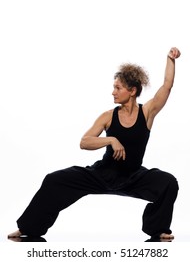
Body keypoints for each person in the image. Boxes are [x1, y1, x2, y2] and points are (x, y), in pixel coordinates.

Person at [8, 47, 181, 241]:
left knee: (168, 182)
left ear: (132, 91)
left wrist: (170, 59)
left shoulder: (147, 113)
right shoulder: (108, 116)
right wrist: (111, 139)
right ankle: (28, 228)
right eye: (114, 87)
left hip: (134, 176)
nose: (113, 92)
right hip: (101, 175)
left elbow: (167, 85)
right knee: (54, 180)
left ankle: (157, 229)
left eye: (118, 88)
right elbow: (85, 142)